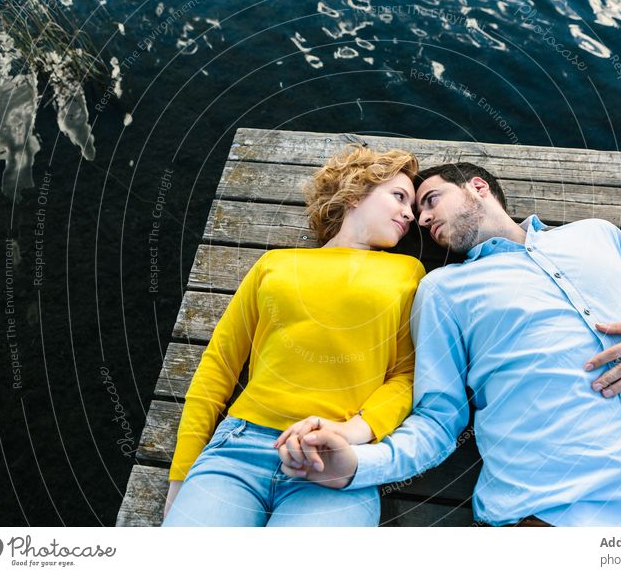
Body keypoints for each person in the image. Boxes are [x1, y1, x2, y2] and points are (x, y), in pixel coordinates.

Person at [279, 162, 621, 527]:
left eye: (431, 200)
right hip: (549, 518)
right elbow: (437, 421)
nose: (421, 218)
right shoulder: (445, 290)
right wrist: (355, 464)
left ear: (477, 187)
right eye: (418, 211)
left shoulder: (597, 236)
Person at [161, 146, 425, 526]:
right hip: (238, 449)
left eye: (413, 206)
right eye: (399, 197)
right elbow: (218, 365)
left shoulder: (407, 272)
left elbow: (407, 375)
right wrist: (181, 475)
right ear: (354, 193)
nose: (410, 214)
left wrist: (352, 432)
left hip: (334, 462)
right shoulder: (275, 264)